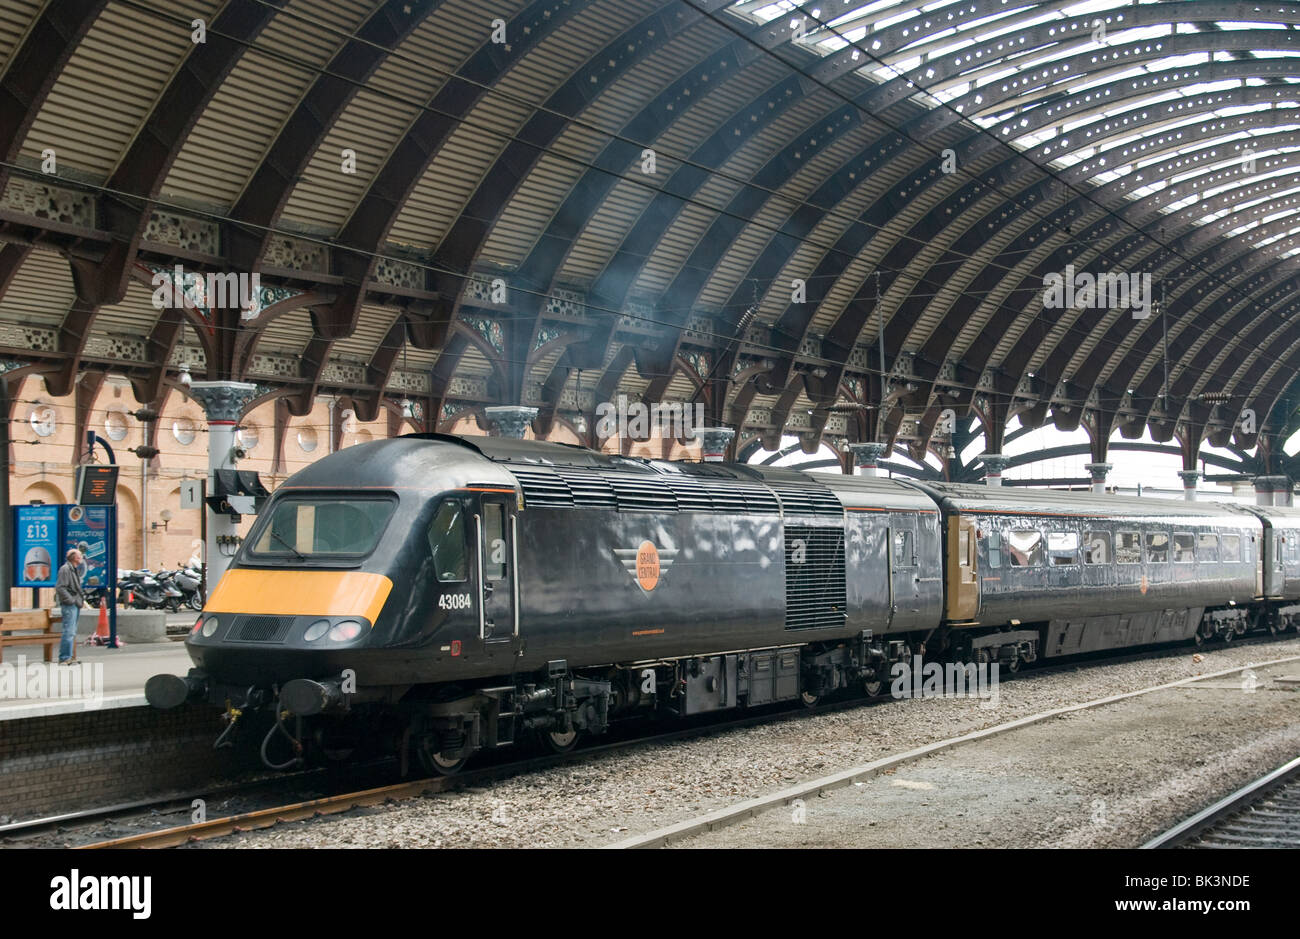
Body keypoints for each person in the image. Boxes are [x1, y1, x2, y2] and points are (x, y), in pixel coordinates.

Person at [54, 548, 85, 665]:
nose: (81, 557)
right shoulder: (65, 569)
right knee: (69, 631)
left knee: (72, 631)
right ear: (74, 558)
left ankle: (70, 656)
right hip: (70, 604)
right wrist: (70, 600)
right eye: (80, 555)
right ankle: (64, 657)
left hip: (75, 603)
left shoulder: (73, 569)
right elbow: (60, 587)